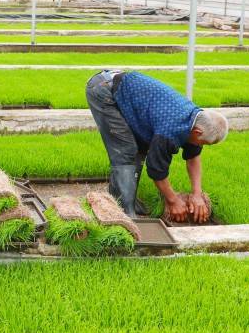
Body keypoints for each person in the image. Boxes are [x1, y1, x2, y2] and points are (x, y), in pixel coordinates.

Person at [86, 70, 228, 223]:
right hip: (103, 90)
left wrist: (197, 193)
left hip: (126, 90)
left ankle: (124, 200)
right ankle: (125, 211)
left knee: (140, 147)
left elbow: (193, 156)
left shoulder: (196, 120)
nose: (200, 146)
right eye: (202, 143)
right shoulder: (170, 130)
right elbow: (156, 169)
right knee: (126, 151)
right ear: (197, 132)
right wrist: (173, 200)